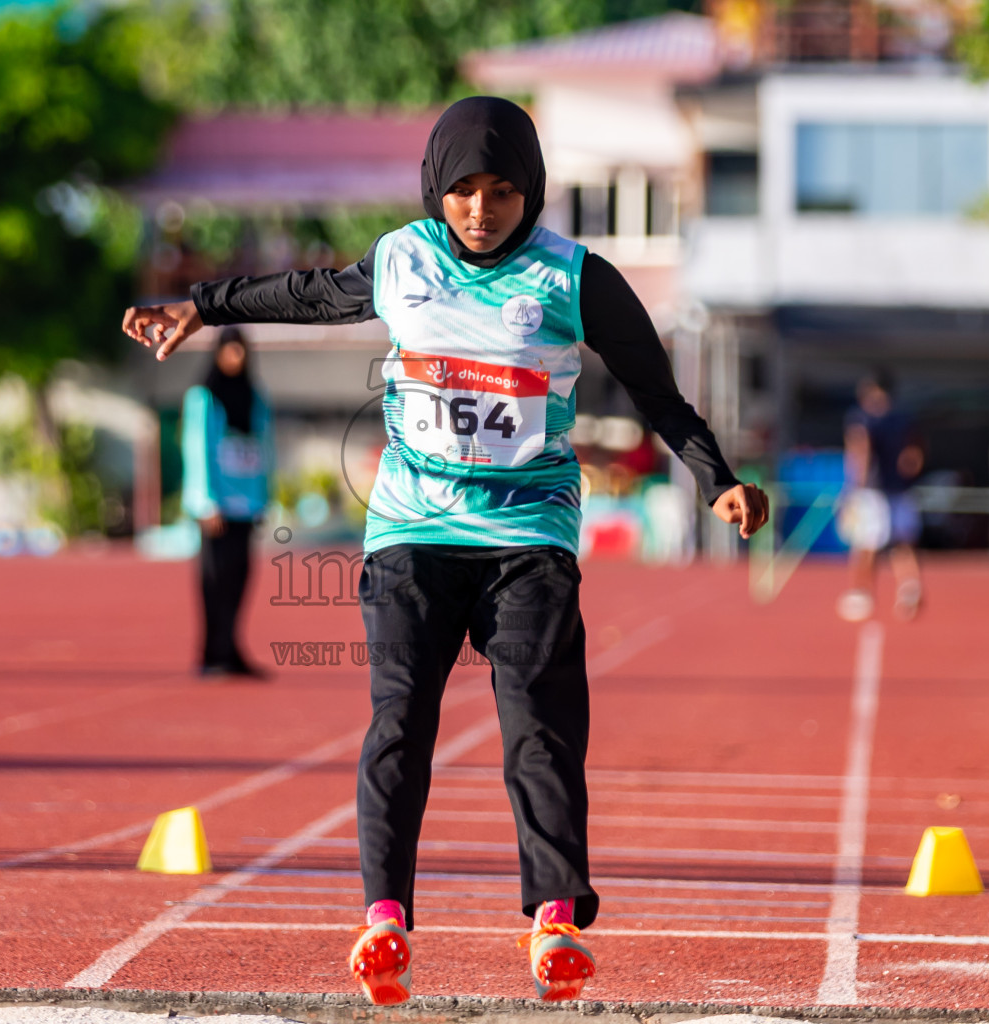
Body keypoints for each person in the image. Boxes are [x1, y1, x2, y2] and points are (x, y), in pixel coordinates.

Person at [123, 97, 768, 1004]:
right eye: (463, 189)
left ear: (530, 192)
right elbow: (307, 294)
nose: (480, 208)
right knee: (400, 722)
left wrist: (717, 477)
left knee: (539, 726)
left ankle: (553, 923)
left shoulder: (574, 277)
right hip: (411, 536)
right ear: (437, 188)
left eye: (502, 191)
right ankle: (384, 919)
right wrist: (199, 305)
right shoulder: (402, 260)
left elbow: (657, 392)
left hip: (526, 538)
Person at [181, 328, 274, 678]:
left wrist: (264, 498)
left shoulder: (255, 396)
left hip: (246, 506)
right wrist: (205, 502)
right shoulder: (203, 397)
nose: (235, 357)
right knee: (214, 580)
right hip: (216, 507)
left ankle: (231, 649)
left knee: (239, 580)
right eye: (229, 350)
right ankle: (210, 653)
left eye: (241, 350)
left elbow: (266, 450)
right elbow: (197, 448)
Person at [837, 370, 923, 622]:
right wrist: (905, 477)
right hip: (899, 490)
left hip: (871, 491)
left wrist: (853, 488)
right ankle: (910, 590)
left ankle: (861, 594)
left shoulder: (862, 419)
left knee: (865, 544)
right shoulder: (904, 419)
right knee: (902, 544)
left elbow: (860, 453)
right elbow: (914, 457)